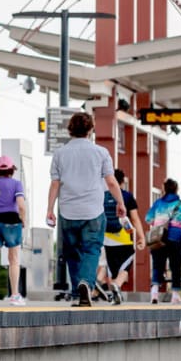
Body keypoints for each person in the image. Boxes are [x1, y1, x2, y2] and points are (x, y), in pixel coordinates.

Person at [46, 112, 125, 308]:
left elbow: (55, 184)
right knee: (91, 250)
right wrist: (120, 203)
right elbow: (111, 182)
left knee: (72, 253)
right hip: (93, 212)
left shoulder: (60, 154)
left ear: (70, 129)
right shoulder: (101, 152)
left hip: (68, 212)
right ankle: (86, 285)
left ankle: (77, 291)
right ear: (91, 130)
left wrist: (49, 209)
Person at [145, 178, 181, 304]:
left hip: (159, 239)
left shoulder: (158, 203)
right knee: (175, 267)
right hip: (176, 239)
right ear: (176, 189)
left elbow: (148, 219)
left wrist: (158, 222)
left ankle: (154, 292)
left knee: (158, 265)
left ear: (165, 189)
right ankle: (175, 295)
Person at [0, 155, 27, 306]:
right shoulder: (16, 184)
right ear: (11, 169)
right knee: (13, 260)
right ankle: (14, 295)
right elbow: (21, 205)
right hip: (12, 222)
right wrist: (23, 219)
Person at [100, 168, 145, 305]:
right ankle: (117, 285)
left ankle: (112, 294)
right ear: (122, 182)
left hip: (106, 238)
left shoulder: (102, 196)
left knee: (111, 269)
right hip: (124, 238)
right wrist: (141, 237)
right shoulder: (127, 196)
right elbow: (135, 219)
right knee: (124, 268)